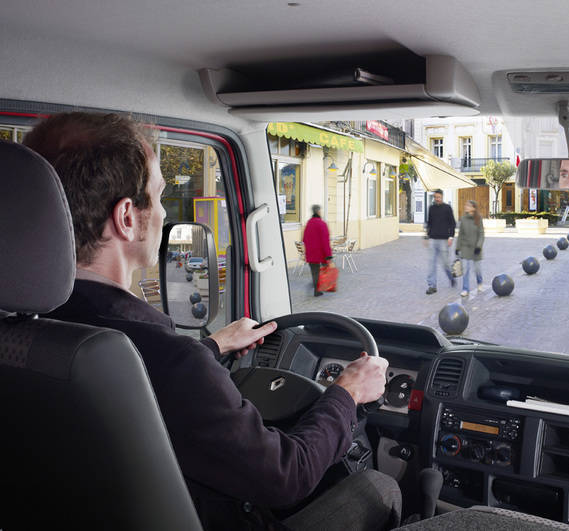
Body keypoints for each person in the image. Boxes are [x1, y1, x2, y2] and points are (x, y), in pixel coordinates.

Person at [24, 112, 399, 531]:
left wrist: (212, 347)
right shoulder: (170, 360)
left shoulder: (25, 330)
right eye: (160, 195)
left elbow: (142, 384)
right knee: (380, 489)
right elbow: (286, 476)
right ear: (127, 218)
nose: (165, 213)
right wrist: (347, 391)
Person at [424, 189, 456, 295]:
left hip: (444, 240)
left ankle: (451, 277)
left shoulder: (447, 208)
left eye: (439, 197)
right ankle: (432, 286)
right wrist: (426, 237)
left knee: (445, 264)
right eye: (435, 197)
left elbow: (452, 223)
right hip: (433, 239)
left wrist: (451, 237)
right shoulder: (431, 208)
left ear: (442, 197)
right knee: (431, 264)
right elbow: (429, 223)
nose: (437, 199)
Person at [302, 204, 333, 297]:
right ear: (318, 212)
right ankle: (318, 287)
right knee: (325, 270)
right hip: (321, 253)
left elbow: (304, 239)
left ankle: (316, 288)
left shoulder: (308, 223)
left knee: (315, 272)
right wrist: (328, 255)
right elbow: (325, 241)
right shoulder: (322, 224)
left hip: (311, 253)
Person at [455, 200, 484, 297]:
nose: (466, 207)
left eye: (468, 205)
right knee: (466, 269)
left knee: (477, 269)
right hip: (466, 248)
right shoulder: (463, 219)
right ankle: (465, 289)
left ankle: (479, 282)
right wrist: (457, 247)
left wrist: (479, 247)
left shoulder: (478, 219)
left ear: (473, 208)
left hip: (476, 249)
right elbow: (460, 235)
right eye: (466, 205)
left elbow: (481, 234)